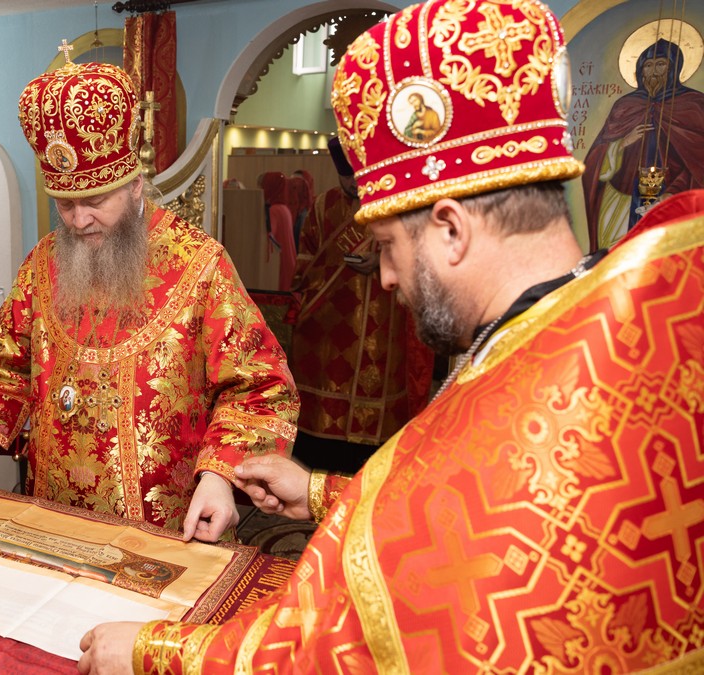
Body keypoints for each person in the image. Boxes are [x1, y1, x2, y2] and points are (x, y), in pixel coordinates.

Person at [78, 0, 704, 671]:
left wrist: (153, 651)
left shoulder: (530, 419)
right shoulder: (628, 325)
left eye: (386, 244)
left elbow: (342, 653)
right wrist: (318, 491)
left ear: (451, 229)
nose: (384, 276)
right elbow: (452, 513)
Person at [0, 60, 298, 543]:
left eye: (96, 201)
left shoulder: (201, 265)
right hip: (52, 518)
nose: (78, 221)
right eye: (65, 204)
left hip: (166, 530)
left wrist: (219, 477)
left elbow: (260, 387)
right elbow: (0, 367)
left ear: (135, 185)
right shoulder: (43, 262)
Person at [289, 138, 432, 482]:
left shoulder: (392, 204)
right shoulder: (324, 206)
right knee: (325, 385)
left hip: (384, 316)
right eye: (346, 177)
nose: (353, 185)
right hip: (327, 322)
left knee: (378, 384)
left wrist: (382, 260)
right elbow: (305, 262)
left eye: (357, 176)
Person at [582, 37, 704, 251]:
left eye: (661, 64)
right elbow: (593, 160)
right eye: (647, 66)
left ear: (674, 68)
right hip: (625, 198)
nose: (653, 72)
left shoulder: (693, 105)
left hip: (677, 196)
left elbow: (698, 161)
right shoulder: (626, 106)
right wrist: (621, 144)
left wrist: (673, 192)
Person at [261, 171, 296, 291]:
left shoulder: (274, 210)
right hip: (289, 261)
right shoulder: (285, 208)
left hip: (279, 264)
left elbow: (268, 237)